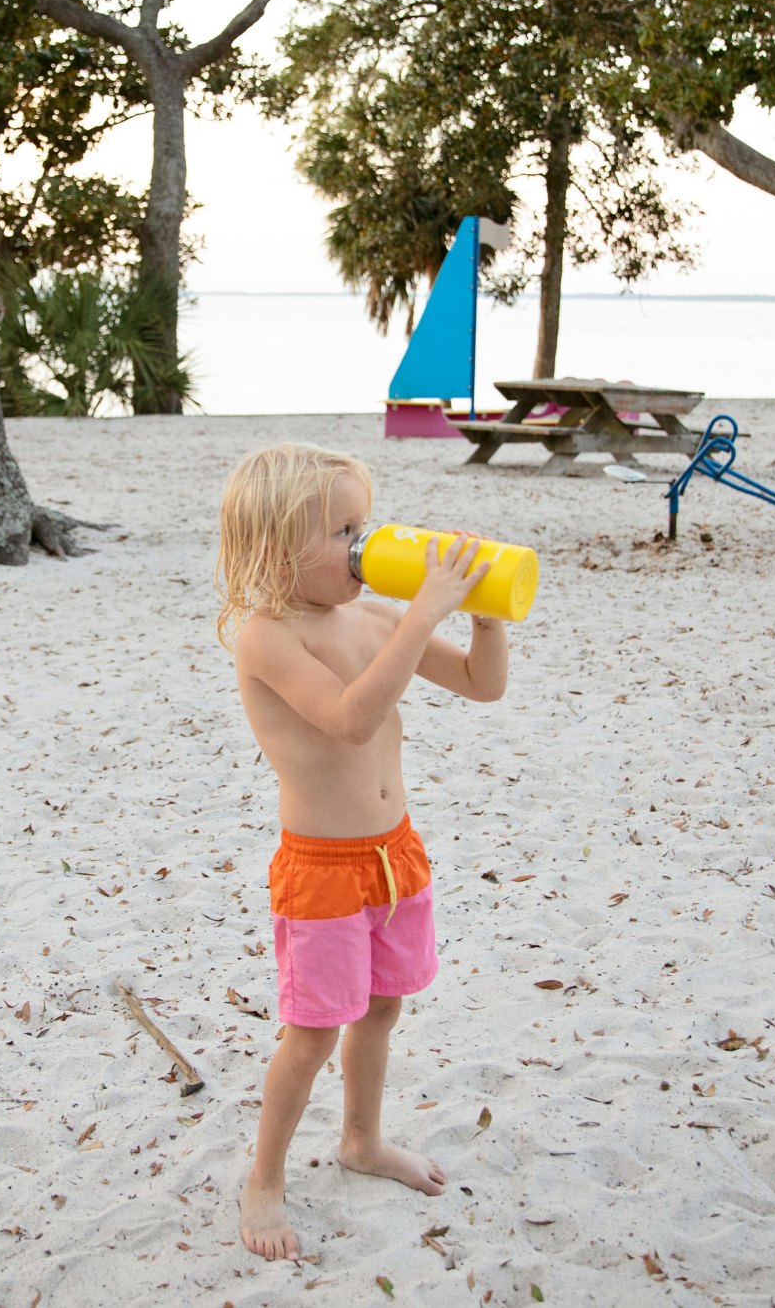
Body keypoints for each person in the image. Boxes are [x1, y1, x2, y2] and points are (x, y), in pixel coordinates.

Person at [215, 442, 510, 1262]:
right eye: (342, 530)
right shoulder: (266, 638)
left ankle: (361, 1139)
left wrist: (483, 614)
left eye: (363, 524)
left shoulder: (377, 616)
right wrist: (423, 614)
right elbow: (349, 718)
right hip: (322, 869)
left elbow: (482, 684)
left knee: (382, 1008)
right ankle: (264, 1179)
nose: (363, 544)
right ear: (276, 547)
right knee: (312, 1033)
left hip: (394, 853)